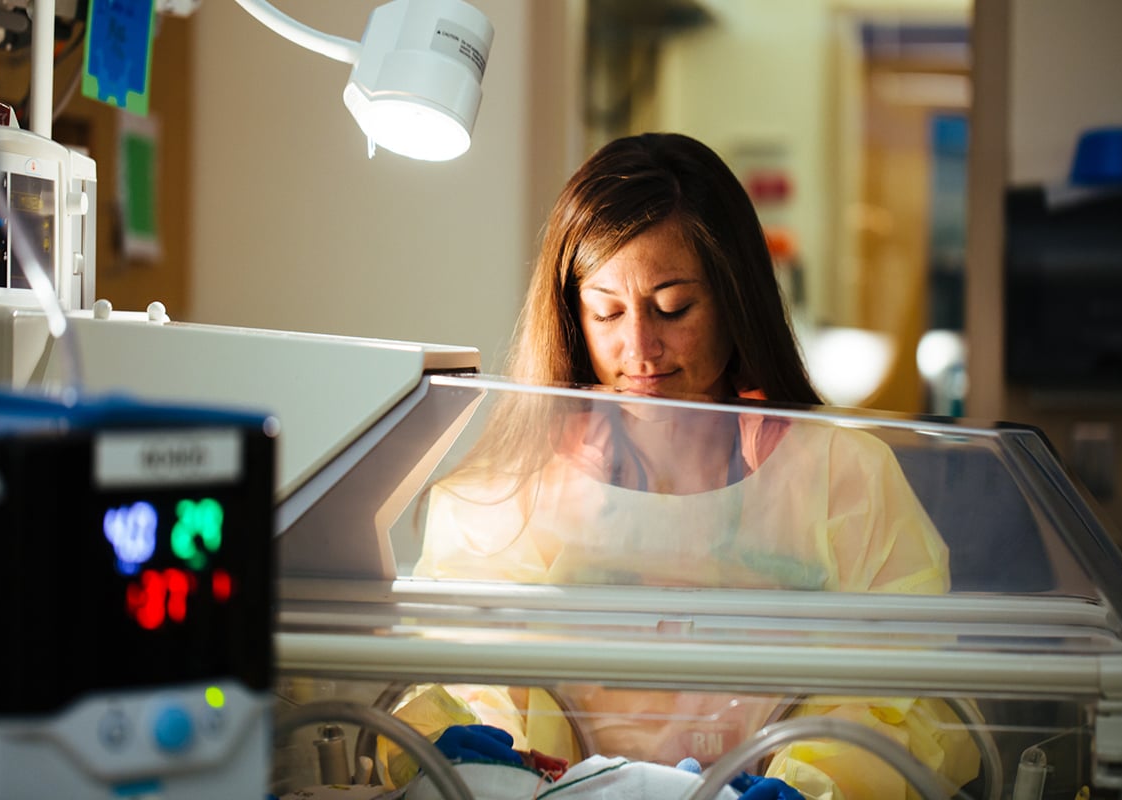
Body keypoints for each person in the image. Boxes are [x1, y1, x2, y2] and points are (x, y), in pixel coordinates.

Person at [405, 133, 979, 798]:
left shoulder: (841, 477)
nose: (640, 348)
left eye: (674, 307)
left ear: (736, 301)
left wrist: (820, 783)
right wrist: (487, 759)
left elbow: (901, 693)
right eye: (607, 311)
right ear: (571, 313)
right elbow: (468, 676)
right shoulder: (507, 498)